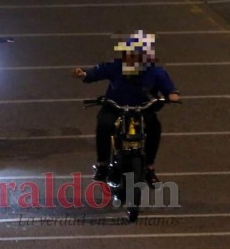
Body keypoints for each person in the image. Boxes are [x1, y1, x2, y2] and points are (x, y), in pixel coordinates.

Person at [74, 30, 180, 187]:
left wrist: (172, 95)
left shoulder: (156, 73)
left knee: (154, 128)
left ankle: (149, 167)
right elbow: (97, 72)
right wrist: (84, 74)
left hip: (142, 110)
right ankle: (102, 165)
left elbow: (169, 90)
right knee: (104, 125)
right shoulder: (116, 67)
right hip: (115, 108)